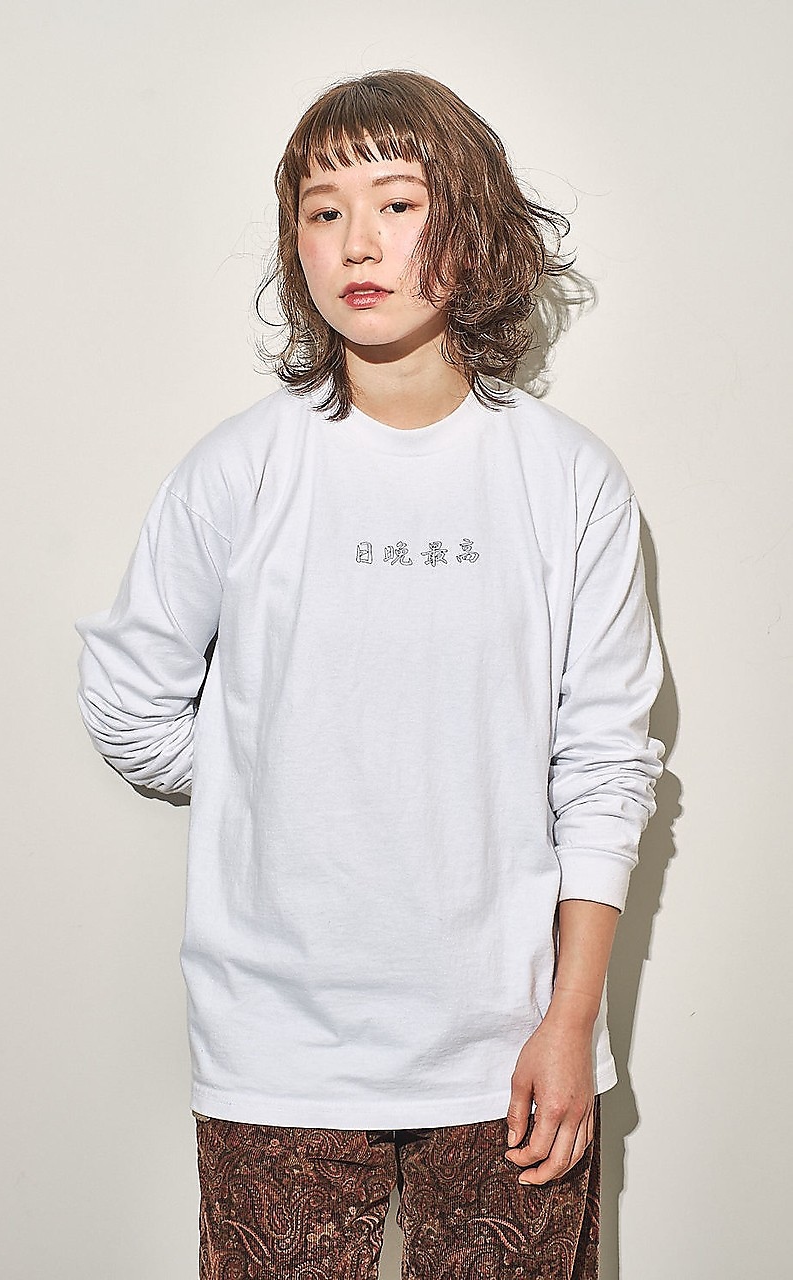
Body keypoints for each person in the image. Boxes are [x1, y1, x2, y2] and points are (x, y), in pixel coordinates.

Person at [76, 69, 664, 1280]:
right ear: (292, 240)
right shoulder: (240, 468)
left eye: (397, 203)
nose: (357, 242)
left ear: (472, 223)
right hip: (276, 1049)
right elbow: (129, 698)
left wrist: (571, 1019)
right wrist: (270, 776)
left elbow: (606, 761)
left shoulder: (567, 477)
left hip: (510, 1045)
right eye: (322, 209)